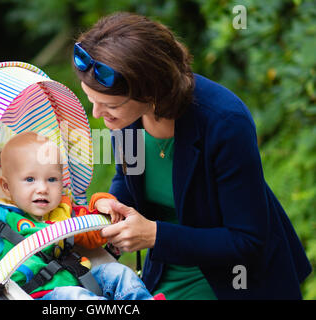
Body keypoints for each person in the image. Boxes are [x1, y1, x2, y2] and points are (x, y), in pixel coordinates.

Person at [72, 12, 312, 300]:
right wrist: (111, 208)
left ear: (150, 91)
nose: (97, 115)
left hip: (232, 282)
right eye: (92, 101)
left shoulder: (225, 122)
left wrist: (155, 236)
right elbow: (128, 176)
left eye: (108, 105)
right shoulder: (127, 118)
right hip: (165, 270)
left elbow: (247, 240)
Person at [0, 131, 159, 300]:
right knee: (76, 297)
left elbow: (98, 234)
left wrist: (101, 202)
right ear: (6, 186)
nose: (43, 189)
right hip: (41, 293)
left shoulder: (64, 211)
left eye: (52, 179)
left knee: (119, 273)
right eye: (30, 179)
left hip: (80, 277)